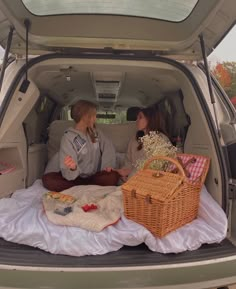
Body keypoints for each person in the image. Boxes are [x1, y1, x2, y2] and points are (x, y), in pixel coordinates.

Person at [42, 100, 119, 191]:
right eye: (94, 115)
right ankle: (88, 189)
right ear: (85, 117)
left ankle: (82, 189)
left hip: (94, 177)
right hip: (74, 179)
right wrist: (73, 168)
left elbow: (108, 147)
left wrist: (107, 166)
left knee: (112, 176)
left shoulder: (96, 133)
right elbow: (68, 168)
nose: (95, 119)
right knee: (48, 180)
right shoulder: (68, 137)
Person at [106, 105, 170, 181]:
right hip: (132, 178)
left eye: (140, 117)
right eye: (137, 118)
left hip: (152, 180)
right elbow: (128, 163)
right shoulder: (134, 139)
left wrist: (130, 174)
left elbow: (157, 166)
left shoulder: (161, 140)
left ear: (150, 119)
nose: (136, 120)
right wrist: (118, 172)